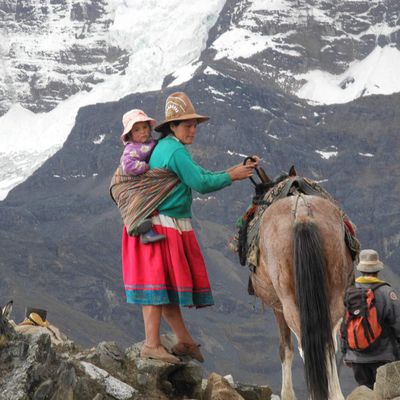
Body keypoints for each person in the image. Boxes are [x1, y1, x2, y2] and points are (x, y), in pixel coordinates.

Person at [121, 92, 259, 363]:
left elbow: (200, 175)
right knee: (156, 287)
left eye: (195, 125)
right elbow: (201, 182)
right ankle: (151, 345)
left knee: (166, 288)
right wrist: (233, 175)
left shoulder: (167, 148)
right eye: (187, 125)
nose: (193, 130)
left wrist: (235, 170)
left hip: (163, 226)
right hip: (159, 228)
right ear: (172, 126)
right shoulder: (174, 150)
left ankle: (183, 340)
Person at [344, 249, 400, 389]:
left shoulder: (351, 292)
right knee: (386, 394)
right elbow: (397, 324)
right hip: (384, 358)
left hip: (356, 358)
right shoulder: (387, 293)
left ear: (361, 270)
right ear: (377, 270)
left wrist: (346, 353)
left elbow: (344, 326)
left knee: (365, 394)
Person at [119, 109, 165, 244]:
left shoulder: (149, 143)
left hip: (145, 183)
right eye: (137, 130)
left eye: (145, 127)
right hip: (135, 183)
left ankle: (147, 232)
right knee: (141, 205)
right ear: (130, 135)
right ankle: (146, 232)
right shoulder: (131, 149)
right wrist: (144, 166)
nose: (143, 131)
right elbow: (127, 166)